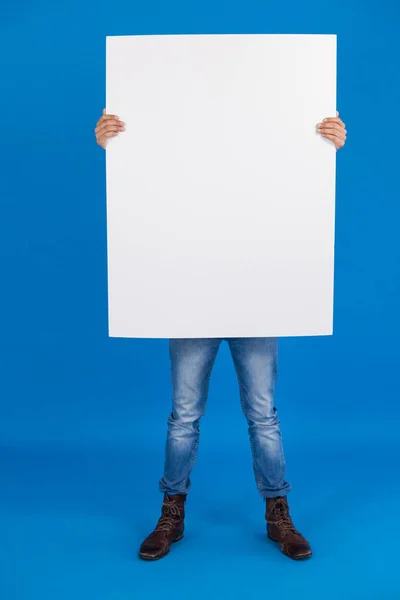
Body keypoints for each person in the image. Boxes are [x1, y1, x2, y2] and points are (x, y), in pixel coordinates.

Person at [94, 108, 347, 561]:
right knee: (184, 416)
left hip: (255, 288)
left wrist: (322, 148)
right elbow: (150, 178)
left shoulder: (261, 155)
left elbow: (294, 180)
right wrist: (119, 149)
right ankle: (172, 511)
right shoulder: (184, 152)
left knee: (262, 415)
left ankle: (277, 513)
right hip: (193, 291)